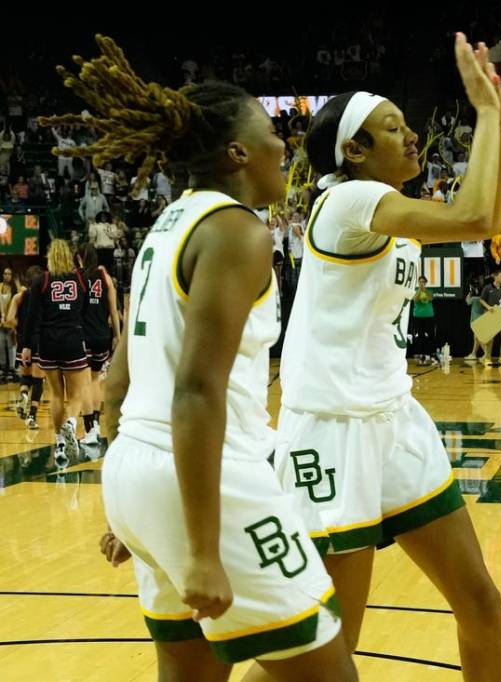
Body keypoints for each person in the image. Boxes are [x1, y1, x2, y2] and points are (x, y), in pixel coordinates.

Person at [43, 35, 356, 680]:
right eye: (273, 132)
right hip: (207, 478)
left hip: (136, 468)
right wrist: (204, 547)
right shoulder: (240, 230)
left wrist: (132, 509)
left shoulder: (167, 223)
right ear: (237, 152)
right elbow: (196, 391)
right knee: (332, 675)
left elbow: (120, 376)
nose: (285, 145)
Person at [274, 34, 501, 679]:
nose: (411, 137)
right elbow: (472, 217)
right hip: (331, 430)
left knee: (480, 601)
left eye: (408, 125)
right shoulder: (348, 200)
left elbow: (485, 220)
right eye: (391, 128)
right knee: (328, 648)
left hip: (392, 417)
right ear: (353, 151)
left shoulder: (385, 205)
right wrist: (488, 117)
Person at [24, 240, 89, 468]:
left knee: (55, 395)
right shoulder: (80, 279)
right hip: (72, 337)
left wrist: (26, 345)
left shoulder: (41, 280)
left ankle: (60, 443)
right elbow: (86, 310)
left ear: (50, 256)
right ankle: (71, 424)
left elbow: (31, 316)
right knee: (76, 395)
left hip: (47, 340)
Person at [76, 243, 121, 443]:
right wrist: (117, 336)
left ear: (80, 258)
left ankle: (90, 430)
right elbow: (114, 310)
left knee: (84, 383)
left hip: (82, 335)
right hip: (102, 334)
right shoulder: (106, 278)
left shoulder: (77, 277)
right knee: (95, 380)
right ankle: (94, 427)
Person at [6, 265, 45, 428]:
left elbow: (9, 320)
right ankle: (32, 416)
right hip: (40, 341)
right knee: (38, 380)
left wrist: (20, 326)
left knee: (26, 376)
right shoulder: (44, 296)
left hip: (23, 341)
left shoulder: (19, 296)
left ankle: (23, 394)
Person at [410, 275, 437, 365]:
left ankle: (429, 354)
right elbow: (415, 299)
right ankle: (420, 354)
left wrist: (424, 290)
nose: (422, 283)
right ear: (418, 283)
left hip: (429, 316)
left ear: (426, 283)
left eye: (423, 282)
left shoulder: (429, 291)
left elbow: (431, 298)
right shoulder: (415, 291)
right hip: (418, 316)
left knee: (430, 336)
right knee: (419, 336)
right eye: (420, 282)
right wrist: (419, 290)